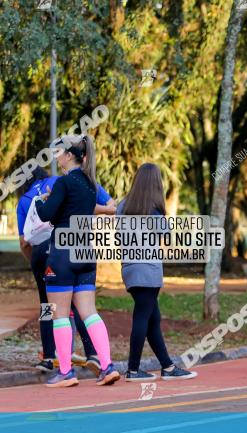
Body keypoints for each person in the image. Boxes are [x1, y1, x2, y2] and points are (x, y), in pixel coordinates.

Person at [35, 135, 120, 387]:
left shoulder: (63, 183)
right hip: (85, 251)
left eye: (59, 151)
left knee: (59, 314)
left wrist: (42, 200)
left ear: (70, 155)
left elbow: (46, 214)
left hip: (61, 253)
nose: (56, 156)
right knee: (90, 312)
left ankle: (66, 372)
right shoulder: (90, 184)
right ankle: (107, 366)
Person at [17, 166, 118, 374]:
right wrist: (106, 210)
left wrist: (35, 264)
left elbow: (24, 242)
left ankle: (49, 356)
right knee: (80, 302)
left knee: (48, 307)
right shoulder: (62, 181)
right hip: (75, 244)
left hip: (44, 252)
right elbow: (103, 202)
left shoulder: (24, 201)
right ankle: (93, 354)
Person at [118, 164, 196, 382]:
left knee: (153, 317)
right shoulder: (153, 210)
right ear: (155, 185)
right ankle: (133, 369)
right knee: (143, 317)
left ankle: (168, 367)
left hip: (129, 268)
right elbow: (167, 237)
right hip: (148, 270)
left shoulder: (123, 205)